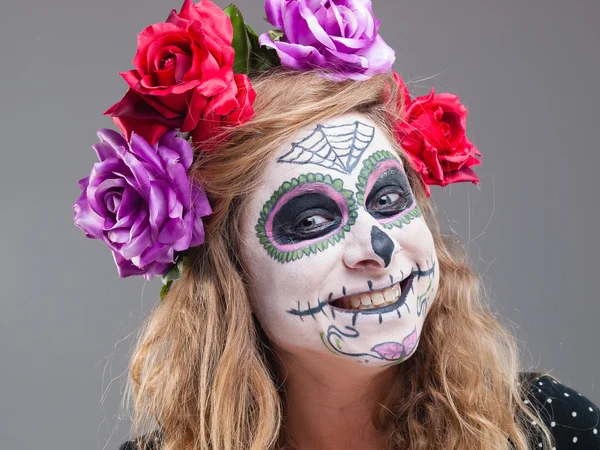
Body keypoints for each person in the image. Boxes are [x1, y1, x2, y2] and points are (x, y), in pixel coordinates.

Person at [73, 1, 600, 449]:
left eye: (389, 198)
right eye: (311, 219)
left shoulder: (549, 429)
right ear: (231, 272)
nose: (377, 246)